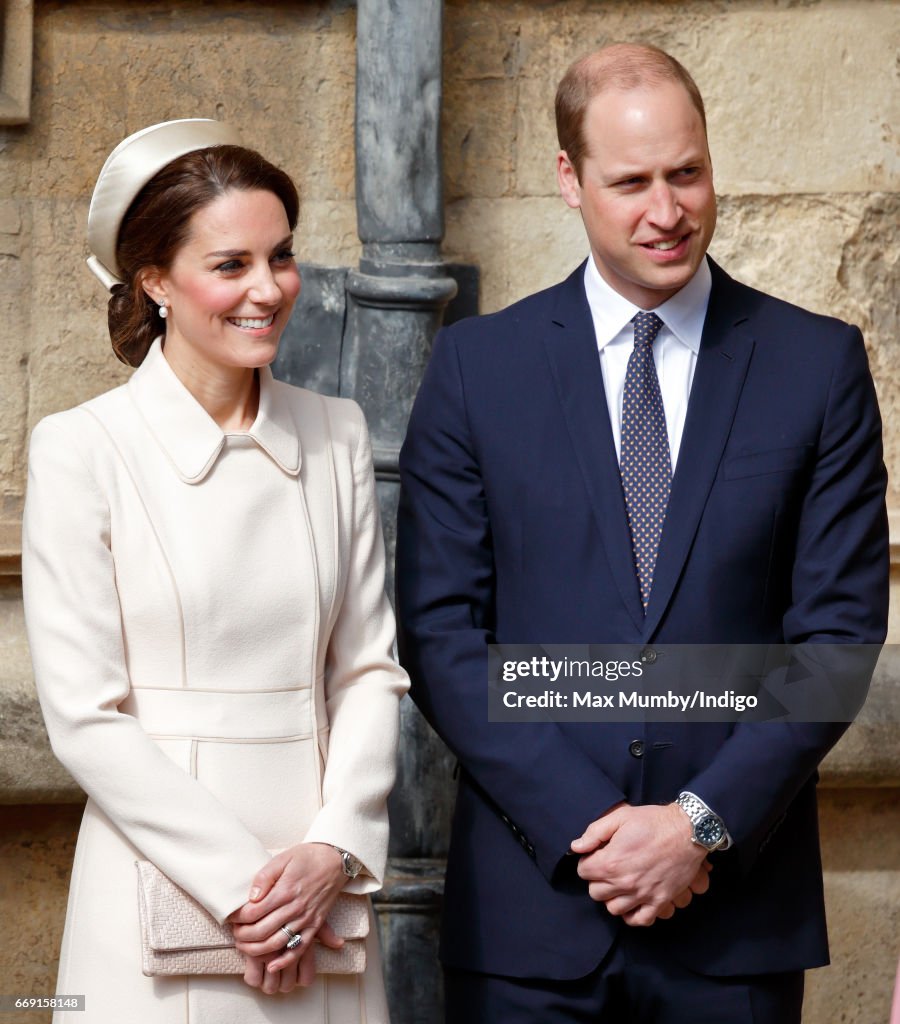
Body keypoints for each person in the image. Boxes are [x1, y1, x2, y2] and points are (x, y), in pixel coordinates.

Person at [395, 44, 888, 1023]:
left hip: (735, 922)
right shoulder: (474, 369)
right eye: (632, 182)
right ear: (569, 179)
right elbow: (442, 635)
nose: (667, 211)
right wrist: (599, 832)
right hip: (531, 926)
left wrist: (697, 827)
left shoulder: (817, 364)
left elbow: (835, 633)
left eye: (687, 172)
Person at [22, 119, 408, 1023]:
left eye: (280, 258)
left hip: (323, 891)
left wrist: (334, 853)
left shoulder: (337, 431)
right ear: (153, 279)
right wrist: (250, 894)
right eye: (230, 265)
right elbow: (84, 717)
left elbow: (367, 672)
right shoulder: (82, 450)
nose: (269, 289)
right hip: (157, 887)